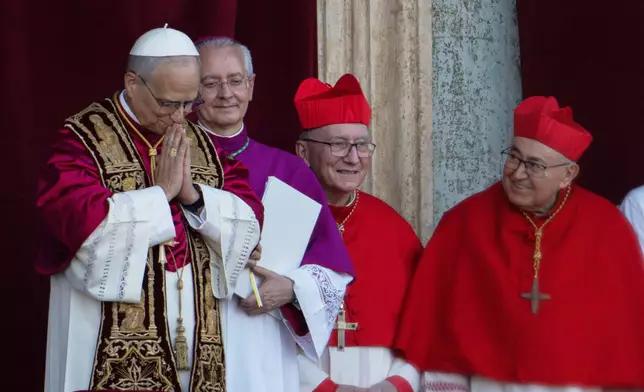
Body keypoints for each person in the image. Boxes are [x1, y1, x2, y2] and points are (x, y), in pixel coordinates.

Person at [36, 25, 265, 392]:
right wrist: (160, 195)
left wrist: (193, 196)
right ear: (132, 83)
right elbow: (78, 224)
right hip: (101, 341)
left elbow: (250, 220)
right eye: (169, 103)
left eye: (190, 103)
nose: (180, 117)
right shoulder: (84, 138)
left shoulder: (202, 142)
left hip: (195, 345)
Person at [393, 96, 644, 392]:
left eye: (535, 165)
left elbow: (626, 340)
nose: (518, 172)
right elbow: (435, 335)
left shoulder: (607, 227)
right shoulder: (463, 223)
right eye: (514, 156)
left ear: (568, 175)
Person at [193, 36, 356, 391]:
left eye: (236, 80)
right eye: (210, 82)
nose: (225, 93)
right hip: (188, 335)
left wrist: (292, 288)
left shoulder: (289, 170)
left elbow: (332, 268)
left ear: (251, 87)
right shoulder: (172, 161)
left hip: (260, 340)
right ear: (193, 89)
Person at [293, 73, 423, 392]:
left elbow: (426, 326)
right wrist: (325, 389)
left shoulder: (395, 230)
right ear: (303, 151)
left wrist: (397, 385)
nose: (353, 158)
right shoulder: (279, 220)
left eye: (362, 145)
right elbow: (260, 331)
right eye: (338, 144)